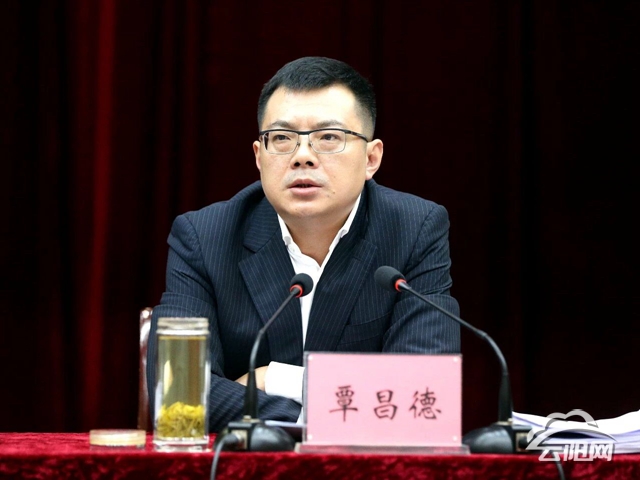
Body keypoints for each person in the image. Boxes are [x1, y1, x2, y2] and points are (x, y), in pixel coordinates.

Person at [148, 56, 461, 433]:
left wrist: (275, 378)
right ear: (259, 157)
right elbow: (178, 395)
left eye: (328, 138)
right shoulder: (204, 236)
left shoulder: (413, 229)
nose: (303, 156)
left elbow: (424, 393)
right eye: (282, 138)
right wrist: (310, 416)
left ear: (371, 158)